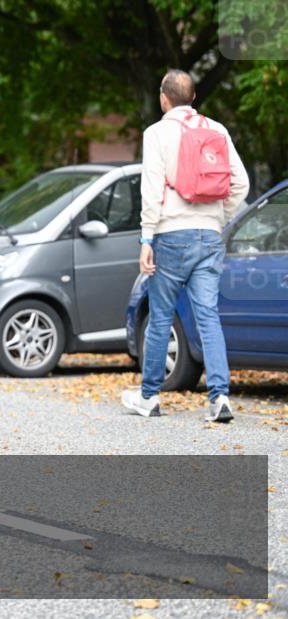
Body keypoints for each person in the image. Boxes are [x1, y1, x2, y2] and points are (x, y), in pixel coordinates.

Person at [122, 69, 249, 422]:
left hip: (171, 235)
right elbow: (241, 183)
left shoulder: (157, 133)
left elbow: (152, 188)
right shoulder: (217, 130)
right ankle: (220, 398)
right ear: (193, 98)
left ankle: (149, 397)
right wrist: (218, 219)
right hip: (209, 236)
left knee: (161, 316)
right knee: (208, 317)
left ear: (164, 98)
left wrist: (146, 238)